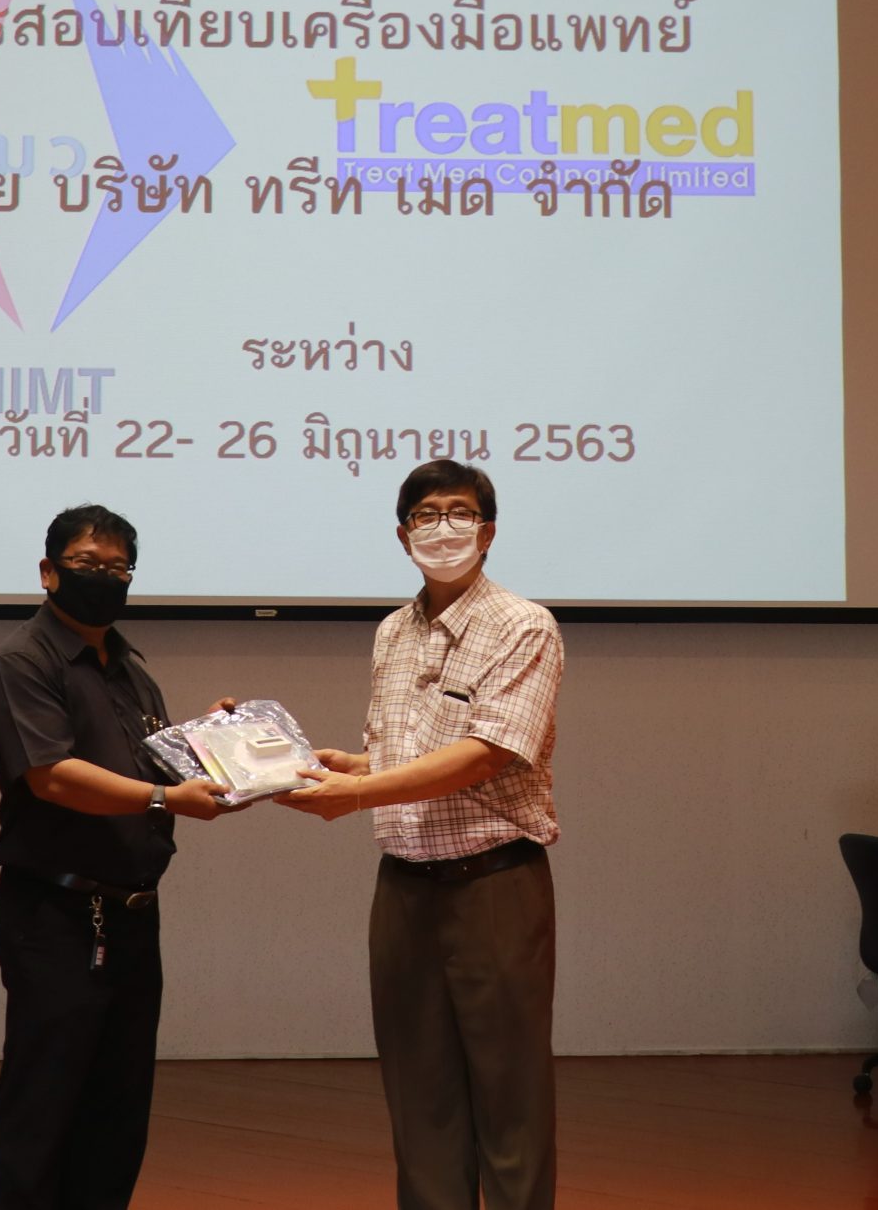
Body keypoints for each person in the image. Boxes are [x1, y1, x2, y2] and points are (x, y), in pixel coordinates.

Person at [282, 460, 565, 1210]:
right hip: (403, 886)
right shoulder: (392, 632)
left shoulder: (523, 625)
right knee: (419, 1095)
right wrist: (348, 766)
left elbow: (486, 754)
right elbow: (405, 754)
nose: (444, 529)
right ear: (402, 535)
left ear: (489, 531)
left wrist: (358, 792)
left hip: (493, 884)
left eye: (460, 513)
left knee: (510, 1094)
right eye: (426, 515)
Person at [0, 503, 229, 1210]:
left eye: (119, 568)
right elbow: (52, 776)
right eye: (87, 564)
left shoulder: (130, 668)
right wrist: (166, 797)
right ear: (48, 571)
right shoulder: (20, 663)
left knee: (118, 1105)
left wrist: (222, 745)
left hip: (132, 912)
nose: (104, 578)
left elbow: (161, 767)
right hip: (55, 913)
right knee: (44, 1098)